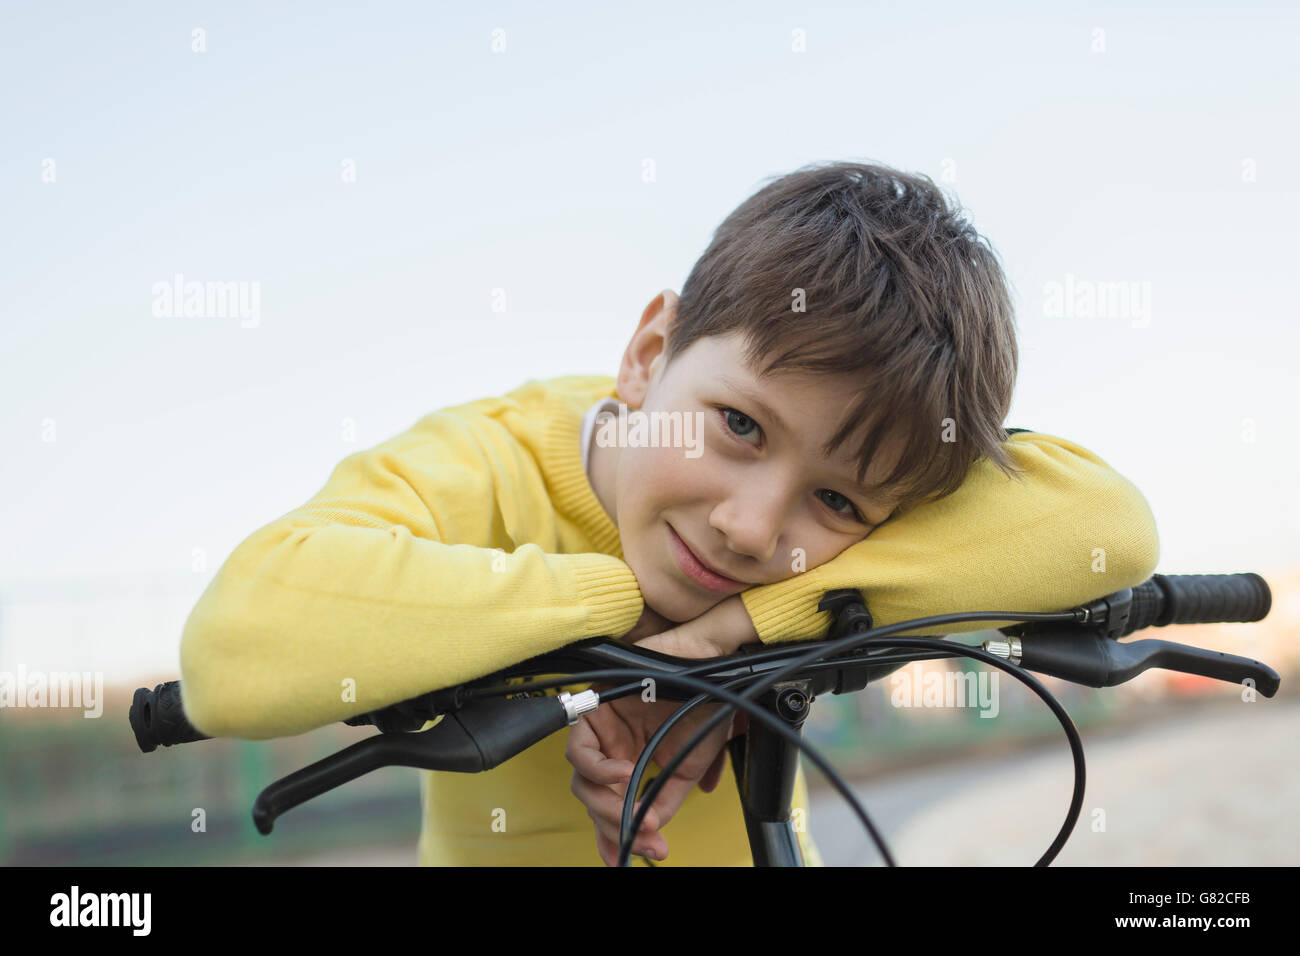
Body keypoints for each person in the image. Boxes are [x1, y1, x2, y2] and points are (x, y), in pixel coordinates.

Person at [178, 161, 1160, 866]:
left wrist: (739, 630)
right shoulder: (485, 456)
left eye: (834, 498)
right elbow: (236, 649)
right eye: (738, 424)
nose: (749, 527)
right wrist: (616, 613)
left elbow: (1106, 522)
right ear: (650, 351)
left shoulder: (801, 544)